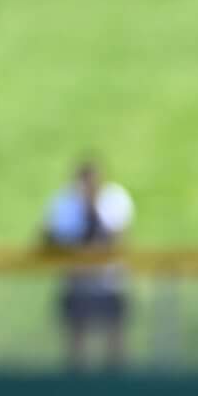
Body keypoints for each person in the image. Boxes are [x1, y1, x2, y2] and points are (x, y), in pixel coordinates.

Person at [40, 158, 135, 370]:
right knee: (76, 343)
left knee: (115, 342)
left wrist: (92, 210)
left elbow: (118, 239)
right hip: (76, 283)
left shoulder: (114, 199)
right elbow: (48, 239)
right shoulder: (64, 203)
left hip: (109, 282)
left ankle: (117, 387)